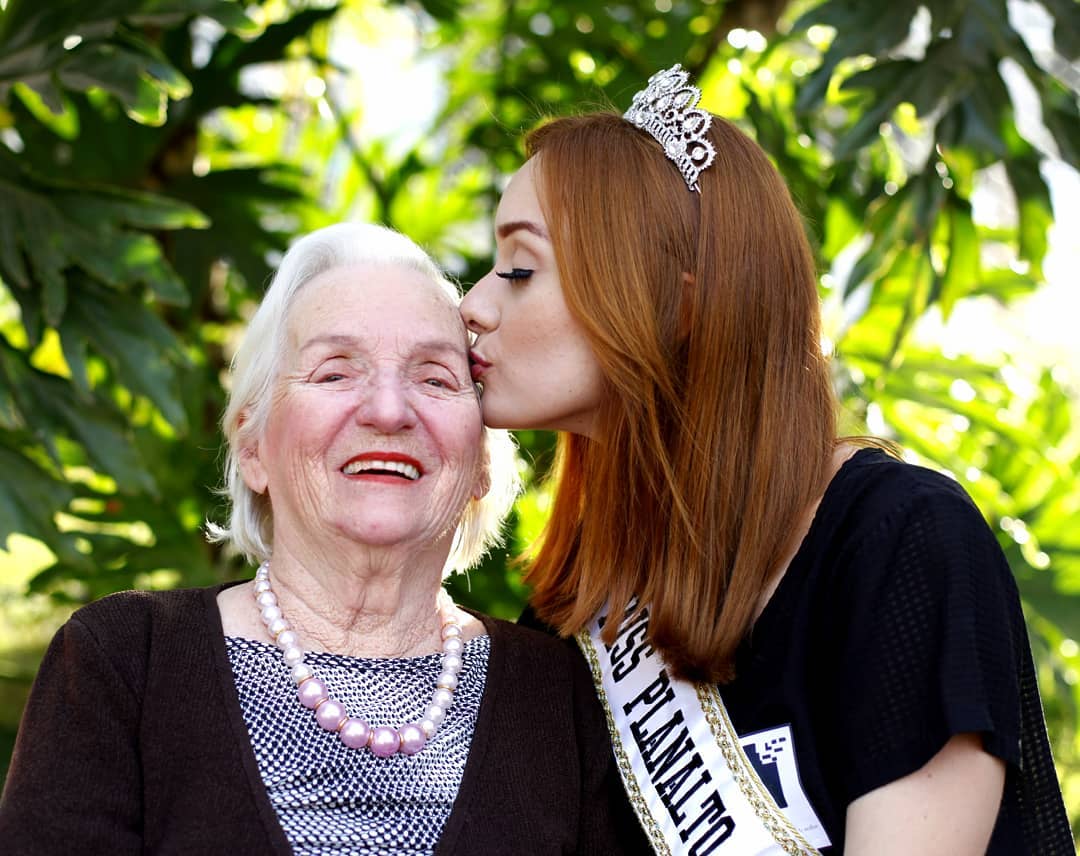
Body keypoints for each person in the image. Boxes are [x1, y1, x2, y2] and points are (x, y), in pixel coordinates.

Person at [461, 65, 1074, 854]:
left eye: (519, 269)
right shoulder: (580, 607)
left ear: (675, 306)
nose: (473, 303)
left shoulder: (899, 543)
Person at [0, 222, 645, 854]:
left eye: (436, 377)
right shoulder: (122, 664)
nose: (389, 411)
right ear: (252, 445)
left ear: (481, 460)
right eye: (335, 373)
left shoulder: (563, 696)